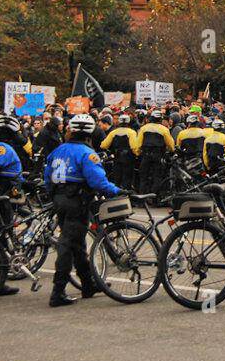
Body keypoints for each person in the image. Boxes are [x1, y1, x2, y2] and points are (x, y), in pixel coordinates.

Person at [44, 114, 122, 307]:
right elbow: (97, 180)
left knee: (77, 244)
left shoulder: (58, 150)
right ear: (90, 133)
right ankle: (57, 291)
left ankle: (88, 284)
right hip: (77, 201)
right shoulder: (87, 153)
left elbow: (47, 176)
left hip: (59, 200)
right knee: (67, 245)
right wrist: (116, 191)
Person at [0, 125, 24, 297]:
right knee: (2, 231)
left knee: (4, 231)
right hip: (4, 192)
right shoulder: (3, 147)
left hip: (6, 190)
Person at [132, 110, 175, 194]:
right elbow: (170, 144)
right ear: (160, 119)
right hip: (158, 156)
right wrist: (172, 151)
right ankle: (155, 198)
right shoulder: (164, 129)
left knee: (143, 177)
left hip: (146, 155)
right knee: (157, 177)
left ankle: (142, 198)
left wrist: (138, 153)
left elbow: (137, 144)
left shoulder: (144, 128)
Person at [100, 114, 138, 189]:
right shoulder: (132, 132)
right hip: (128, 160)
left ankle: (116, 196)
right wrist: (137, 154)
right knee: (127, 180)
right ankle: (126, 196)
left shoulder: (113, 132)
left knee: (117, 180)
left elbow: (103, 145)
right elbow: (134, 147)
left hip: (117, 159)